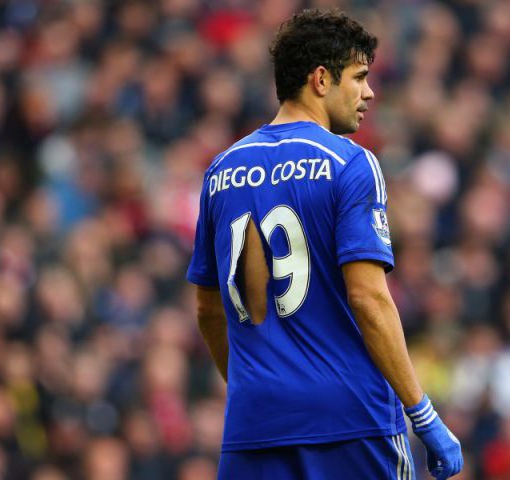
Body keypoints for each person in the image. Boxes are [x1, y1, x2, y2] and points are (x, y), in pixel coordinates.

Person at [187, 9, 462, 480]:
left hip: (255, 425)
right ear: (320, 79)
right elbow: (369, 298)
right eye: (359, 77)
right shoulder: (350, 164)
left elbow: (208, 310)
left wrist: (258, 389)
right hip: (350, 421)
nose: (369, 93)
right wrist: (423, 413)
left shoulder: (221, 172)